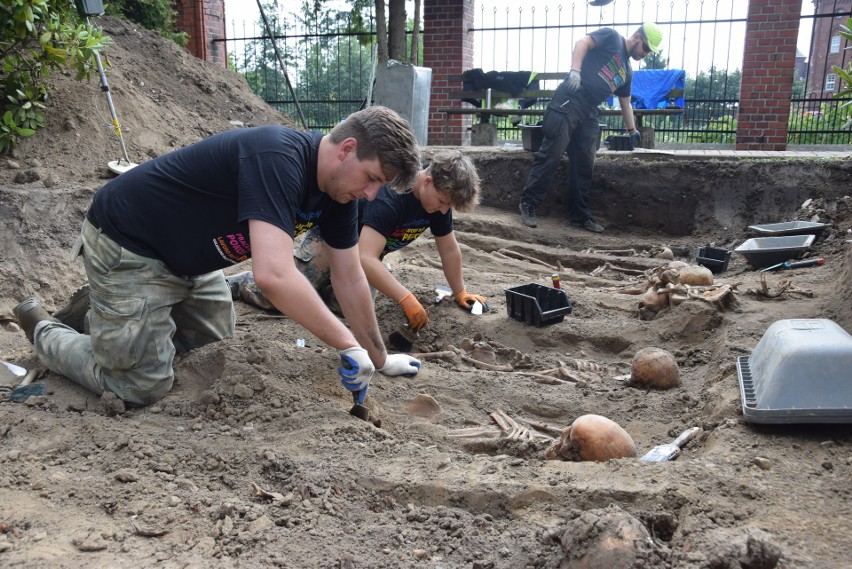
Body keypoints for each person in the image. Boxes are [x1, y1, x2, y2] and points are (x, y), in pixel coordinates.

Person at [13, 106, 423, 408]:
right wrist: (346, 344)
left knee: (209, 350)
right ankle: (47, 331)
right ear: (347, 149)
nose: (371, 195)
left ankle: (108, 312)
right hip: (129, 245)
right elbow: (273, 276)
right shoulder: (278, 158)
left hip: (189, 260)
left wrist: (378, 357)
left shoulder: (339, 194)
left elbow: (350, 277)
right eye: (372, 179)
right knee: (139, 386)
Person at [227, 149, 488, 332]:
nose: (444, 211)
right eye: (443, 202)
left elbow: (450, 251)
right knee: (282, 298)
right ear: (427, 182)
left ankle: (321, 287)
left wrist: (460, 291)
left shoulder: (437, 205)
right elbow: (365, 257)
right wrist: (406, 298)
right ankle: (238, 284)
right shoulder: (393, 198)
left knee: (346, 308)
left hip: (365, 251)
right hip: (332, 240)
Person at [518, 23, 663, 233]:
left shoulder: (627, 72)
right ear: (637, 36)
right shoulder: (612, 37)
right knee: (552, 152)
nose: (645, 54)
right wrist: (575, 71)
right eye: (646, 48)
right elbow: (582, 42)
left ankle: (578, 215)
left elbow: (625, 102)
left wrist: (632, 131)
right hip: (572, 97)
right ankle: (528, 203)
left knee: (585, 161)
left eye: (649, 51)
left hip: (590, 110)